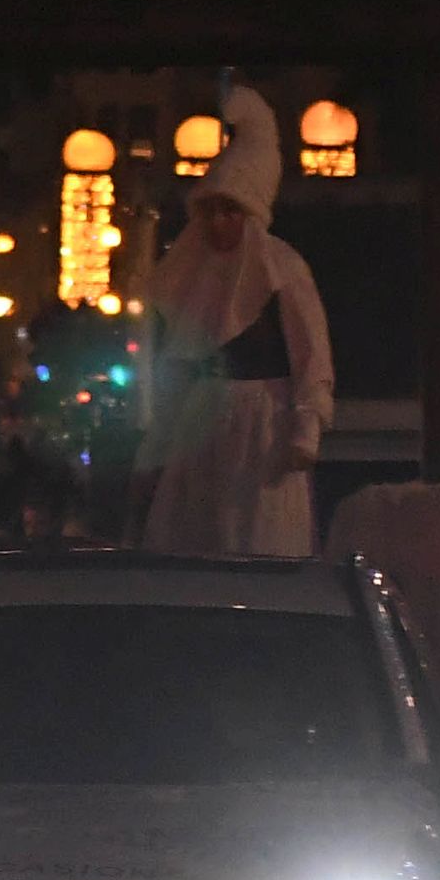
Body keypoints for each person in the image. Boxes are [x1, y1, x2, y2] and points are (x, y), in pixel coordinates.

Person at [136, 86, 337, 558]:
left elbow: (312, 356)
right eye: (211, 209)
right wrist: (156, 445)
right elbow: (179, 365)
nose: (219, 222)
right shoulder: (195, 275)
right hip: (200, 426)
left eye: (230, 210)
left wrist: (306, 427)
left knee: (253, 538)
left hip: (262, 428)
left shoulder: (281, 268)